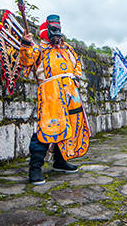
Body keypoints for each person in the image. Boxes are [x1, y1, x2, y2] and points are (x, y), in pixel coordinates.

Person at [20, 14, 90, 185]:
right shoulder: (39, 49)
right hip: (50, 93)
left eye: (59, 31)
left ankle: (60, 161)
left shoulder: (67, 48)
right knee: (48, 127)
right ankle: (35, 167)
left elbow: (77, 64)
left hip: (70, 92)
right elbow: (26, 60)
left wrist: (74, 76)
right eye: (54, 31)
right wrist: (26, 43)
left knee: (70, 126)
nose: (57, 35)